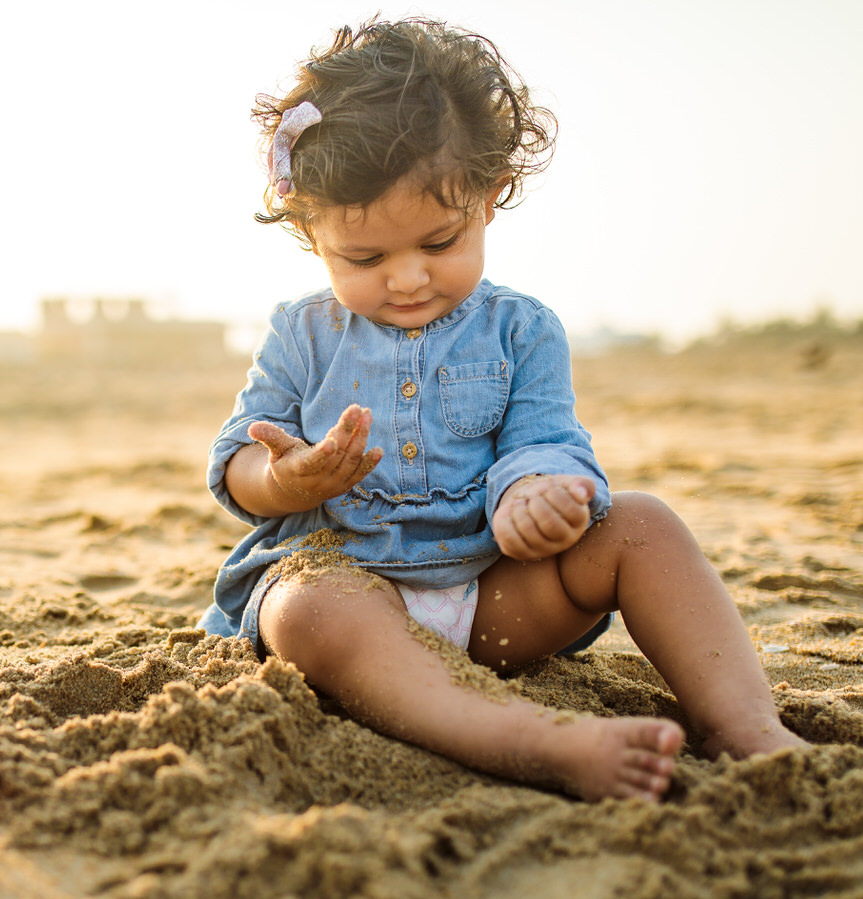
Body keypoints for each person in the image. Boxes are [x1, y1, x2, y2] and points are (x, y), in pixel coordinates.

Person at [200, 17, 805, 802]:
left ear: (488, 199)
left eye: (440, 241)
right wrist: (287, 480)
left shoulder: (522, 329)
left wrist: (539, 493)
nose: (409, 277)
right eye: (366, 257)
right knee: (306, 609)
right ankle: (528, 740)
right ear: (311, 230)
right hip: (350, 594)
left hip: (491, 600)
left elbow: (546, 439)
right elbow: (236, 465)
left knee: (644, 524)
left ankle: (742, 723)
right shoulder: (302, 333)